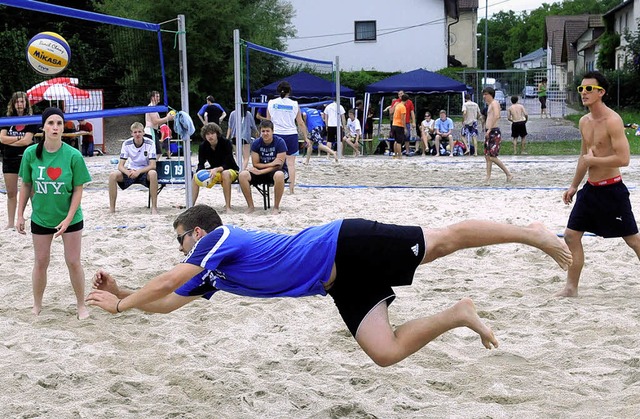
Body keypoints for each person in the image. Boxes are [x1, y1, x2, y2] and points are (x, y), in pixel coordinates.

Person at [85, 204, 573, 367]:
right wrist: (122, 294)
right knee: (385, 352)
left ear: (196, 232)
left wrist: (125, 307)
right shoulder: (215, 274)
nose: (180, 250)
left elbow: (173, 278)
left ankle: (529, 234)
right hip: (337, 282)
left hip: (343, 244)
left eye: (179, 240)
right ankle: (459, 312)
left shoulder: (219, 238)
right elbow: (169, 301)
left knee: (442, 242)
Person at [558, 71, 640, 297]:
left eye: (589, 89)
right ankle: (571, 288)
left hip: (612, 190)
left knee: (633, 240)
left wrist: (594, 160)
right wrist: (574, 186)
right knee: (571, 236)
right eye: (581, 89)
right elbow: (583, 157)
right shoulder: (584, 121)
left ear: (601, 92)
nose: (584, 93)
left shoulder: (613, 121)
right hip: (591, 190)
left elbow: (624, 159)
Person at [17, 107, 92, 319]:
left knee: (73, 261)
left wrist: (68, 219)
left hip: (70, 217)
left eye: (59, 123)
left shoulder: (73, 155)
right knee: (41, 262)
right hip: (41, 216)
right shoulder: (31, 154)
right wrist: (20, 215)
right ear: (43, 127)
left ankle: (81, 305)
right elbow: (26, 185)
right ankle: (37, 305)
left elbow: (78, 189)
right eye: (51, 123)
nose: (55, 127)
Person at [0, 91, 37, 229]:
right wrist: (19, 140)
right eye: (17, 102)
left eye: (22, 101)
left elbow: (27, 141)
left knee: (32, 191)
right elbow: (2, 139)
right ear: (13, 104)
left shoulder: (31, 119)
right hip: (10, 159)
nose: (19, 104)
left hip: (27, 159)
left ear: (26, 103)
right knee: (11, 193)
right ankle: (10, 223)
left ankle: (36, 219)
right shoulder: (7, 120)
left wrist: (11, 141)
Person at [109, 122, 159, 215]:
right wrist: (127, 172)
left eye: (139, 132)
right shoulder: (127, 143)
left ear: (143, 132)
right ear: (132, 133)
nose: (137, 134)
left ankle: (154, 207)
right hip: (131, 170)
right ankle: (112, 209)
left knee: (153, 173)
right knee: (112, 175)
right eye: (135, 132)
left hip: (144, 170)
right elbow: (120, 165)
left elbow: (153, 165)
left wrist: (139, 171)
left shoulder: (150, 143)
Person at [238, 120, 288, 214]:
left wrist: (262, 171)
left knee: (279, 175)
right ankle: (250, 206)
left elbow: (279, 165)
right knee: (242, 175)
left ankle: (276, 207)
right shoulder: (256, 143)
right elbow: (256, 164)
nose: (265, 133)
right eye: (263, 131)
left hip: (276, 171)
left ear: (272, 131)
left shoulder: (280, 142)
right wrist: (272, 163)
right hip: (260, 170)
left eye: (268, 131)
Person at [267, 81, 308, 194]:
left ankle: (276, 184)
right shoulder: (294, 104)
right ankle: (291, 189)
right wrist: (306, 137)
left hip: (276, 134)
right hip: (291, 134)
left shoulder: (271, 103)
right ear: (289, 91)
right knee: (291, 164)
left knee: (275, 161)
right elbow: (300, 122)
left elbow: (268, 122)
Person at [193, 123, 239, 211]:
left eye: (212, 133)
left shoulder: (226, 143)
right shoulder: (203, 146)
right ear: (204, 136)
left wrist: (216, 169)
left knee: (225, 174)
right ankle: (191, 206)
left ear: (217, 134)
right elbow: (201, 163)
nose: (210, 136)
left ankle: (228, 207)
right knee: (195, 177)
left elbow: (228, 162)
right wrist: (200, 172)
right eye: (207, 134)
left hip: (230, 169)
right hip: (215, 171)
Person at [482, 87, 513, 185]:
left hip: (493, 131)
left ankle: (508, 174)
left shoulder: (495, 103)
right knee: (487, 156)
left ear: (490, 94)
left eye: (485, 94)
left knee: (492, 156)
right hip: (489, 131)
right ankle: (488, 177)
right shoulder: (490, 104)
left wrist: (490, 129)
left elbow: (497, 116)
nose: (484, 97)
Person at [226, 105, 258, 170]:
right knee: (246, 158)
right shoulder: (248, 114)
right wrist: (257, 132)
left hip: (234, 137)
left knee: (238, 157)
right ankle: (242, 170)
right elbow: (253, 126)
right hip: (245, 137)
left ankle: (239, 169)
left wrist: (227, 138)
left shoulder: (233, 113)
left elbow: (230, 127)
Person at [145, 90, 175, 155]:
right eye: (157, 96)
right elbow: (155, 121)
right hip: (150, 131)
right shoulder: (151, 107)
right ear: (152, 98)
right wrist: (167, 118)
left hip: (154, 130)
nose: (159, 98)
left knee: (158, 152)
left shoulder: (154, 108)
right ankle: (151, 164)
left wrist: (168, 118)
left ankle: (153, 164)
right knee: (155, 152)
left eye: (159, 96)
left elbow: (159, 123)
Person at [391, 94, 408, 159]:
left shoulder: (397, 105)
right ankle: (400, 156)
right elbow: (402, 118)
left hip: (394, 124)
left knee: (396, 141)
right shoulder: (403, 107)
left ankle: (395, 155)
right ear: (406, 100)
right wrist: (405, 128)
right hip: (399, 125)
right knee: (399, 142)